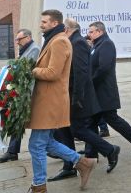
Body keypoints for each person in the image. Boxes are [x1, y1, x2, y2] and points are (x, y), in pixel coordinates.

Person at [26, 10, 95, 192]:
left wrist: (31, 70)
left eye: (45, 22)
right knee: (46, 143)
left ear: (55, 23)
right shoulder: (52, 40)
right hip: (46, 101)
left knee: (36, 145)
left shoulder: (60, 41)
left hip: (50, 102)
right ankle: (82, 162)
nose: (41, 25)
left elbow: (53, 72)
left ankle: (39, 186)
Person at [49, 19, 120, 182]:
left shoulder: (78, 43)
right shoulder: (71, 41)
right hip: (69, 95)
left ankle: (110, 150)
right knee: (66, 131)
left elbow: (81, 73)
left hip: (77, 97)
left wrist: (77, 98)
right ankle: (69, 166)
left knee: (77, 130)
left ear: (66, 29)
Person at [87, 22, 131, 158]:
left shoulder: (106, 44)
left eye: (91, 32)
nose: (89, 34)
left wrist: (90, 81)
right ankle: (91, 153)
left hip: (105, 91)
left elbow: (103, 68)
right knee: (91, 122)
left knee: (112, 119)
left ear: (99, 31)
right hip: (97, 92)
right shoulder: (97, 44)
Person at [0, 29, 40, 163]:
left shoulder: (34, 49)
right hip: (19, 90)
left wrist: (13, 69)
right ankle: (12, 152)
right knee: (15, 120)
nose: (17, 42)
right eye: (16, 39)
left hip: (26, 92)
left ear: (28, 37)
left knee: (20, 120)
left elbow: (26, 69)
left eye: (20, 39)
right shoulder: (25, 49)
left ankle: (61, 151)